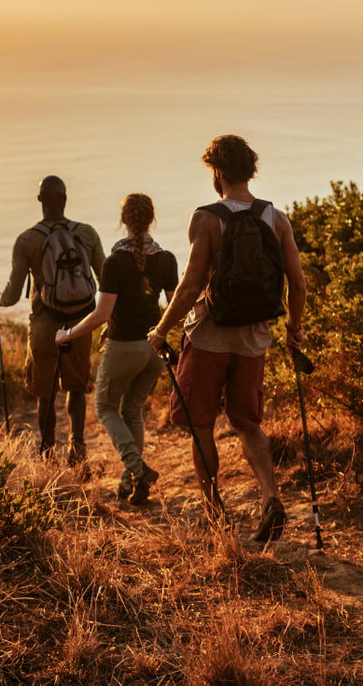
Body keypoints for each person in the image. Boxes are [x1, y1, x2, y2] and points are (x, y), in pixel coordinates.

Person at [148, 135, 307, 539]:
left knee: (202, 425)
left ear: (217, 173)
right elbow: (299, 285)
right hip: (254, 338)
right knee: (248, 423)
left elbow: (189, 287)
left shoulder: (206, 218)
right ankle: (271, 498)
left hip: (209, 337)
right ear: (250, 170)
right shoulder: (276, 217)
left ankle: (213, 509)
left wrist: (161, 330)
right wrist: (293, 330)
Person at [55, 193, 178, 504]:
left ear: (124, 220)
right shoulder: (167, 259)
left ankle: (138, 469)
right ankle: (130, 482)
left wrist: (68, 334)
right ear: (152, 219)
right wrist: (165, 335)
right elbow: (175, 306)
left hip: (124, 347)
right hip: (154, 350)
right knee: (132, 409)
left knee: (105, 408)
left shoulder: (115, 262)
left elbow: (101, 315)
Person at [0, 175, 105, 463]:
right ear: (65, 198)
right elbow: (105, 278)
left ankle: (48, 451)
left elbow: (14, 294)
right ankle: (77, 447)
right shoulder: (87, 234)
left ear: (40, 200)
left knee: (46, 392)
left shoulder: (27, 240)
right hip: (79, 323)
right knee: (76, 387)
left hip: (44, 324)